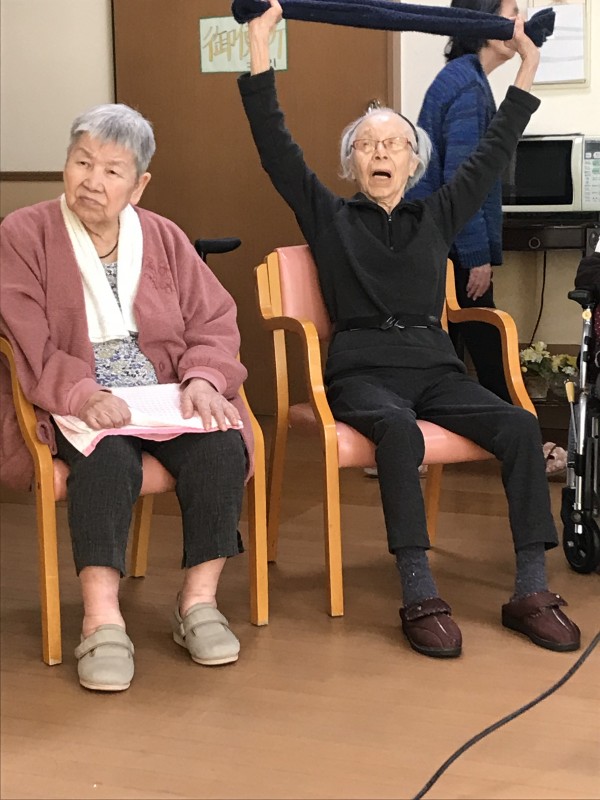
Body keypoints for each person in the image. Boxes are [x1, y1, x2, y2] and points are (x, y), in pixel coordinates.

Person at [240, 0, 580, 658]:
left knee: (517, 425)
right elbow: (274, 146)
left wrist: (527, 68)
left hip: (434, 367)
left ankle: (531, 590)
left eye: (393, 143)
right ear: (351, 164)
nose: (380, 152)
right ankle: (419, 592)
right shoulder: (330, 216)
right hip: (362, 373)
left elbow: (494, 149)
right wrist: (260, 45)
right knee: (398, 431)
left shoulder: (438, 213)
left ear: (413, 160)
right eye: (366, 145)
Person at [0, 103, 253, 691]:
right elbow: (25, 335)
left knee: (221, 446)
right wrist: (83, 394)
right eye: (82, 162)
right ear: (65, 165)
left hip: (163, 392)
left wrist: (203, 378)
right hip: (74, 395)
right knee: (108, 459)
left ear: (138, 185)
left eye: (112, 170)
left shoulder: (163, 235)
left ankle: (197, 604)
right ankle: (102, 620)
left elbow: (213, 319)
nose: (93, 180)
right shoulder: (23, 232)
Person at [407, 0, 569, 478]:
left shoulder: (464, 79)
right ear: (483, 21)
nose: (519, 22)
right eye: (511, 11)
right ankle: (526, 447)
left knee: (449, 347)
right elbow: (464, 182)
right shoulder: (467, 87)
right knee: (488, 341)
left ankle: (410, 445)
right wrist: (476, 255)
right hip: (447, 243)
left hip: (436, 240)